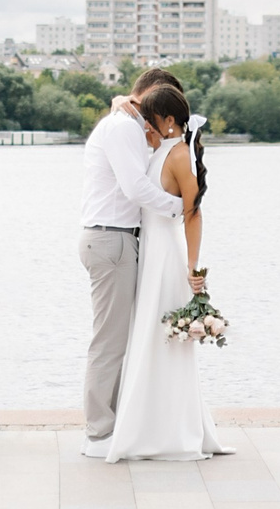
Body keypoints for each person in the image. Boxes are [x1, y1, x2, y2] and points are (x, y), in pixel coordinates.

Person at [99, 81, 229, 462]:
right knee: (147, 339)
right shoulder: (162, 147)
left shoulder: (178, 155)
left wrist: (193, 268)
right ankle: (147, 426)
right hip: (148, 253)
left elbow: (193, 211)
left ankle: (170, 431)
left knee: (165, 343)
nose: (146, 128)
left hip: (166, 257)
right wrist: (121, 101)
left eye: (152, 121)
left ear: (170, 121)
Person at [77, 73, 196, 458]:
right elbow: (135, 188)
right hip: (111, 239)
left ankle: (114, 427)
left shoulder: (131, 128)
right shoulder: (122, 127)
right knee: (110, 343)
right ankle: (99, 435)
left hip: (117, 239)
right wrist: (181, 209)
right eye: (155, 107)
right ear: (144, 96)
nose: (155, 119)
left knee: (120, 339)